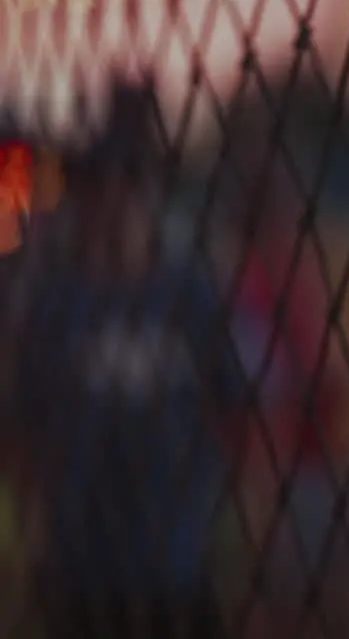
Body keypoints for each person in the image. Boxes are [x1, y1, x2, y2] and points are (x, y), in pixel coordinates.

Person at [4, 80, 246, 639]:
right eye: (96, 190)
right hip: (82, 564)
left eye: (128, 186)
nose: (112, 205)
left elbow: (233, 407)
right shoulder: (55, 302)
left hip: (178, 561)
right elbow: (24, 432)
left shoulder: (189, 292)